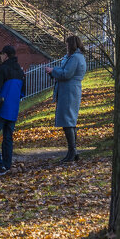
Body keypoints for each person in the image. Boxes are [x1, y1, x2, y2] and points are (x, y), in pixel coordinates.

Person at [46, 35, 87, 163]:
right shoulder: (73, 57)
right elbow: (64, 70)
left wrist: (53, 70)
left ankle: (72, 152)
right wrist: (54, 71)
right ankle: (72, 151)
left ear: (71, 44)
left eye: (67, 44)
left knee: (68, 121)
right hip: (68, 90)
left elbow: (66, 73)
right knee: (69, 121)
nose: (66, 46)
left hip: (69, 91)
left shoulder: (75, 58)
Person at [0, 44, 25, 176]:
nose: (0, 57)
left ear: (6, 55)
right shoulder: (20, 71)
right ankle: (7, 166)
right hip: (13, 109)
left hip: (1, 108)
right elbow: (23, 91)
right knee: (8, 138)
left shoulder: (3, 68)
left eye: (1, 54)